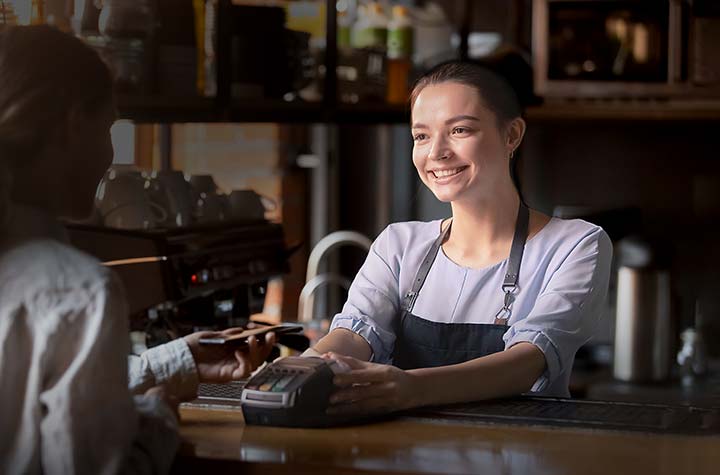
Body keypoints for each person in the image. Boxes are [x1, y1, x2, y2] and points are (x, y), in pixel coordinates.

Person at [0, 25, 275, 474]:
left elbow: (37, 383)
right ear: (73, 126)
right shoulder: (79, 289)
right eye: (108, 126)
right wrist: (158, 417)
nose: (110, 153)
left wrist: (176, 361)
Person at [308, 60, 613, 415]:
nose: (436, 152)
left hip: (520, 458)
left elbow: (528, 361)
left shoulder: (575, 244)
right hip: (406, 456)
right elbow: (356, 335)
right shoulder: (398, 245)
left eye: (459, 130)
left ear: (511, 134)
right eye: (421, 136)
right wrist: (304, 368)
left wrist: (411, 388)